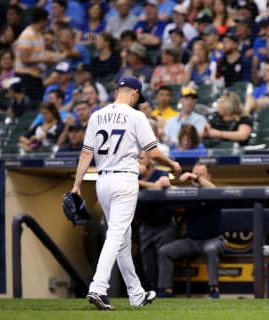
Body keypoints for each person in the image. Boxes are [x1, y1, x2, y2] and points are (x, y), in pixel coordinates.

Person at [70, 75, 181, 310]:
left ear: (115, 92)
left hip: (103, 182)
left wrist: (77, 184)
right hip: (124, 179)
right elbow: (152, 153)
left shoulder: (97, 115)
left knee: (121, 238)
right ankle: (99, 287)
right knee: (116, 235)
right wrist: (172, 164)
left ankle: (136, 293)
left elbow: (86, 154)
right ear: (135, 93)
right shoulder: (136, 116)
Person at [157, 163, 226, 299]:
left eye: (200, 175)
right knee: (164, 251)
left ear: (208, 177)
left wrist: (194, 176)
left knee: (210, 249)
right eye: (194, 174)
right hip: (192, 241)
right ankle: (166, 289)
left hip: (214, 240)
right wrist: (167, 184)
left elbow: (213, 189)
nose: (195, 178)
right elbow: (173, 191)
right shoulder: (188, 193)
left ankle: (213, 289)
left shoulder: (213, 191)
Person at [136, 150, 176, 292]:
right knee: (148, 264)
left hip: (164, 224)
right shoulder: (134, 175)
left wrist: (138, 182)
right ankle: (154, 291)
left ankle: (166, 290)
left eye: (141, 158)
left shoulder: (160, 173)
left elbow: (160, 186)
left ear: (149, 159)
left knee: (164, 259)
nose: (138, 161)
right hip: (146, 226)